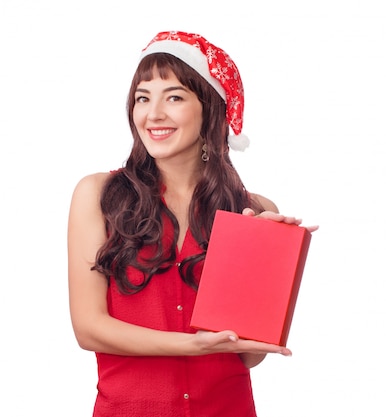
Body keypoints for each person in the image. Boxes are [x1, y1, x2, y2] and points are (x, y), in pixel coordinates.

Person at [67, 30, 318, 417]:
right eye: (142, 98)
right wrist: (190, 345)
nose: (153, 114)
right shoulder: (98, 194)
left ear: (210, 108)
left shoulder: (252, 209)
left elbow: (247, 356)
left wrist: (267, 262)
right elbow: (89, 328)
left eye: (175, 97)